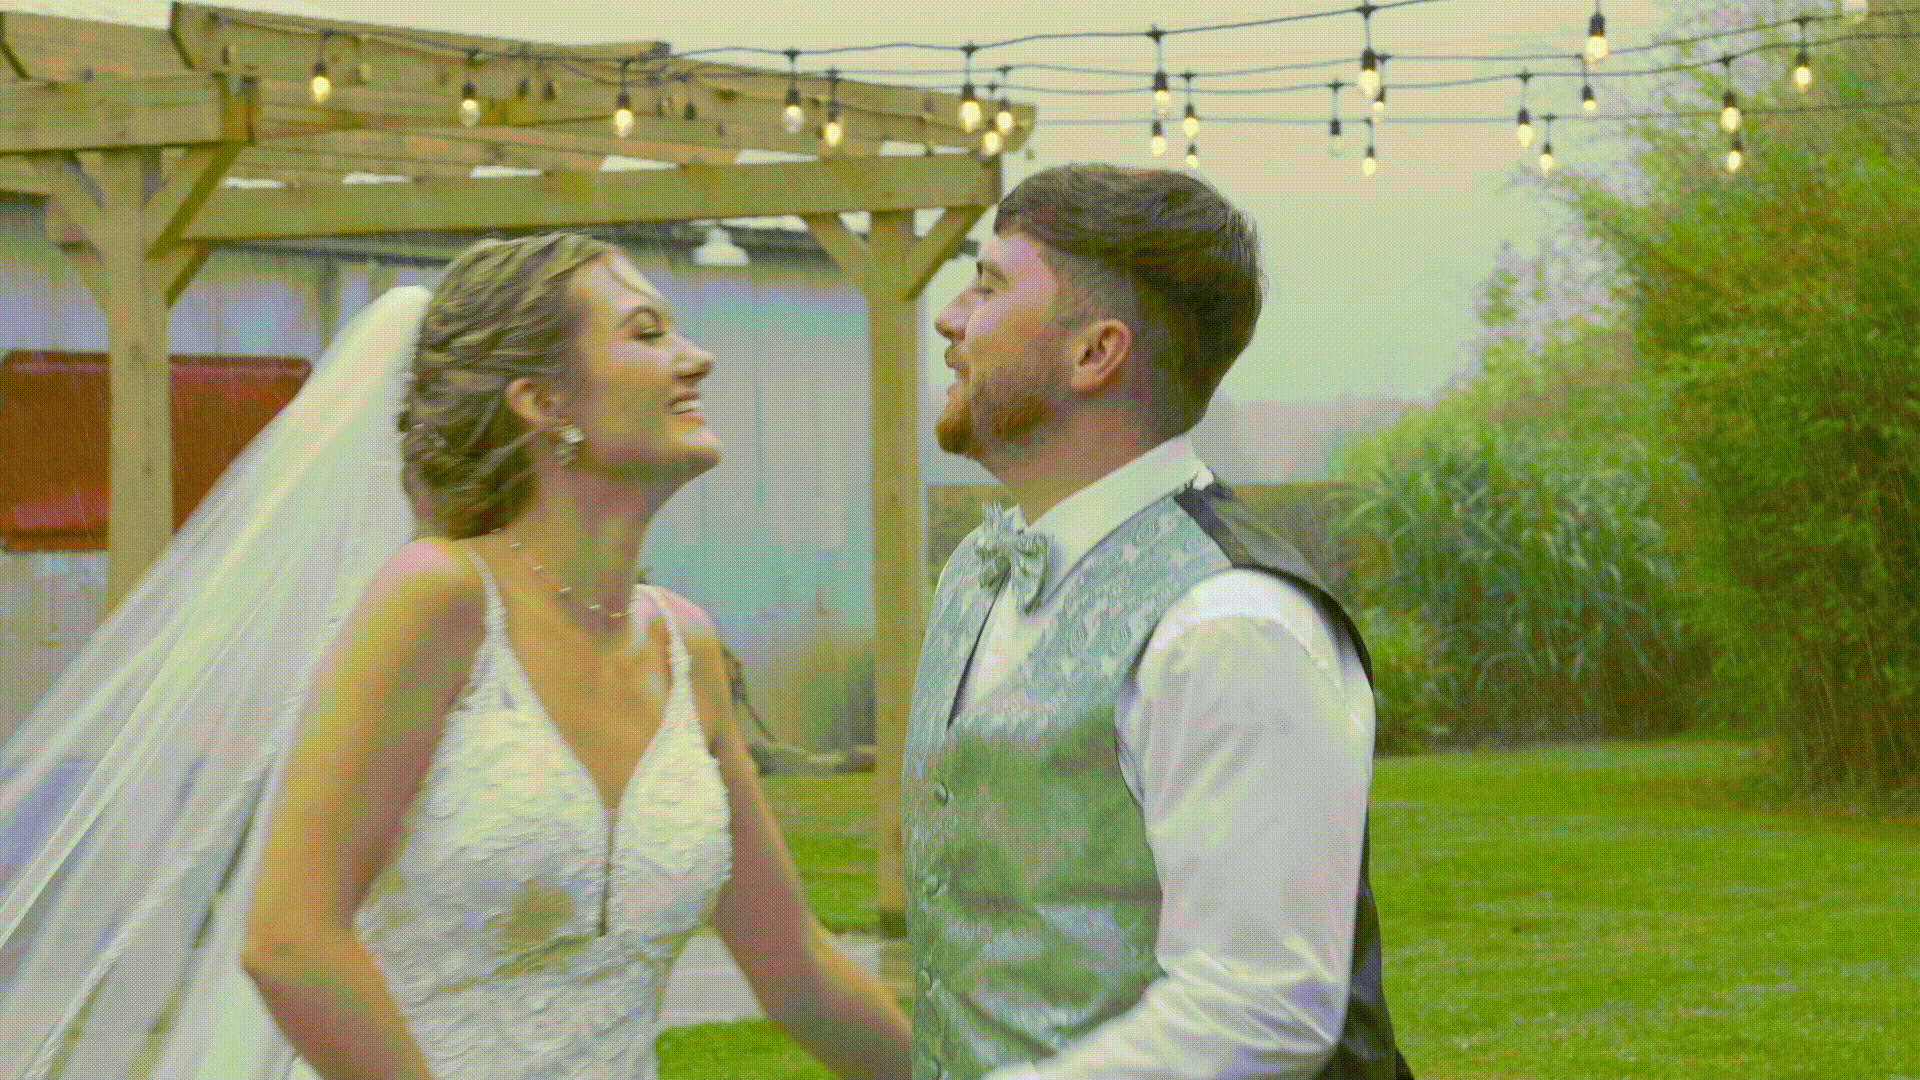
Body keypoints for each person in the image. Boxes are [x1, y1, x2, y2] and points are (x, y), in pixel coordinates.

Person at [234, 233, 912, 1080]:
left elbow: (798, 965)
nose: (696, 358)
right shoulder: (438, 600)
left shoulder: (684, 647)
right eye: (647, 332)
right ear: (541, 399)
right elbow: (287, 937)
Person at [901, 164, 1415, 1080]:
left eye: (987, 284)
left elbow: (1262, 1006)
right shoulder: (973, 583)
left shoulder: (1230, 625)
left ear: (1096, 353)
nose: (949, 318)